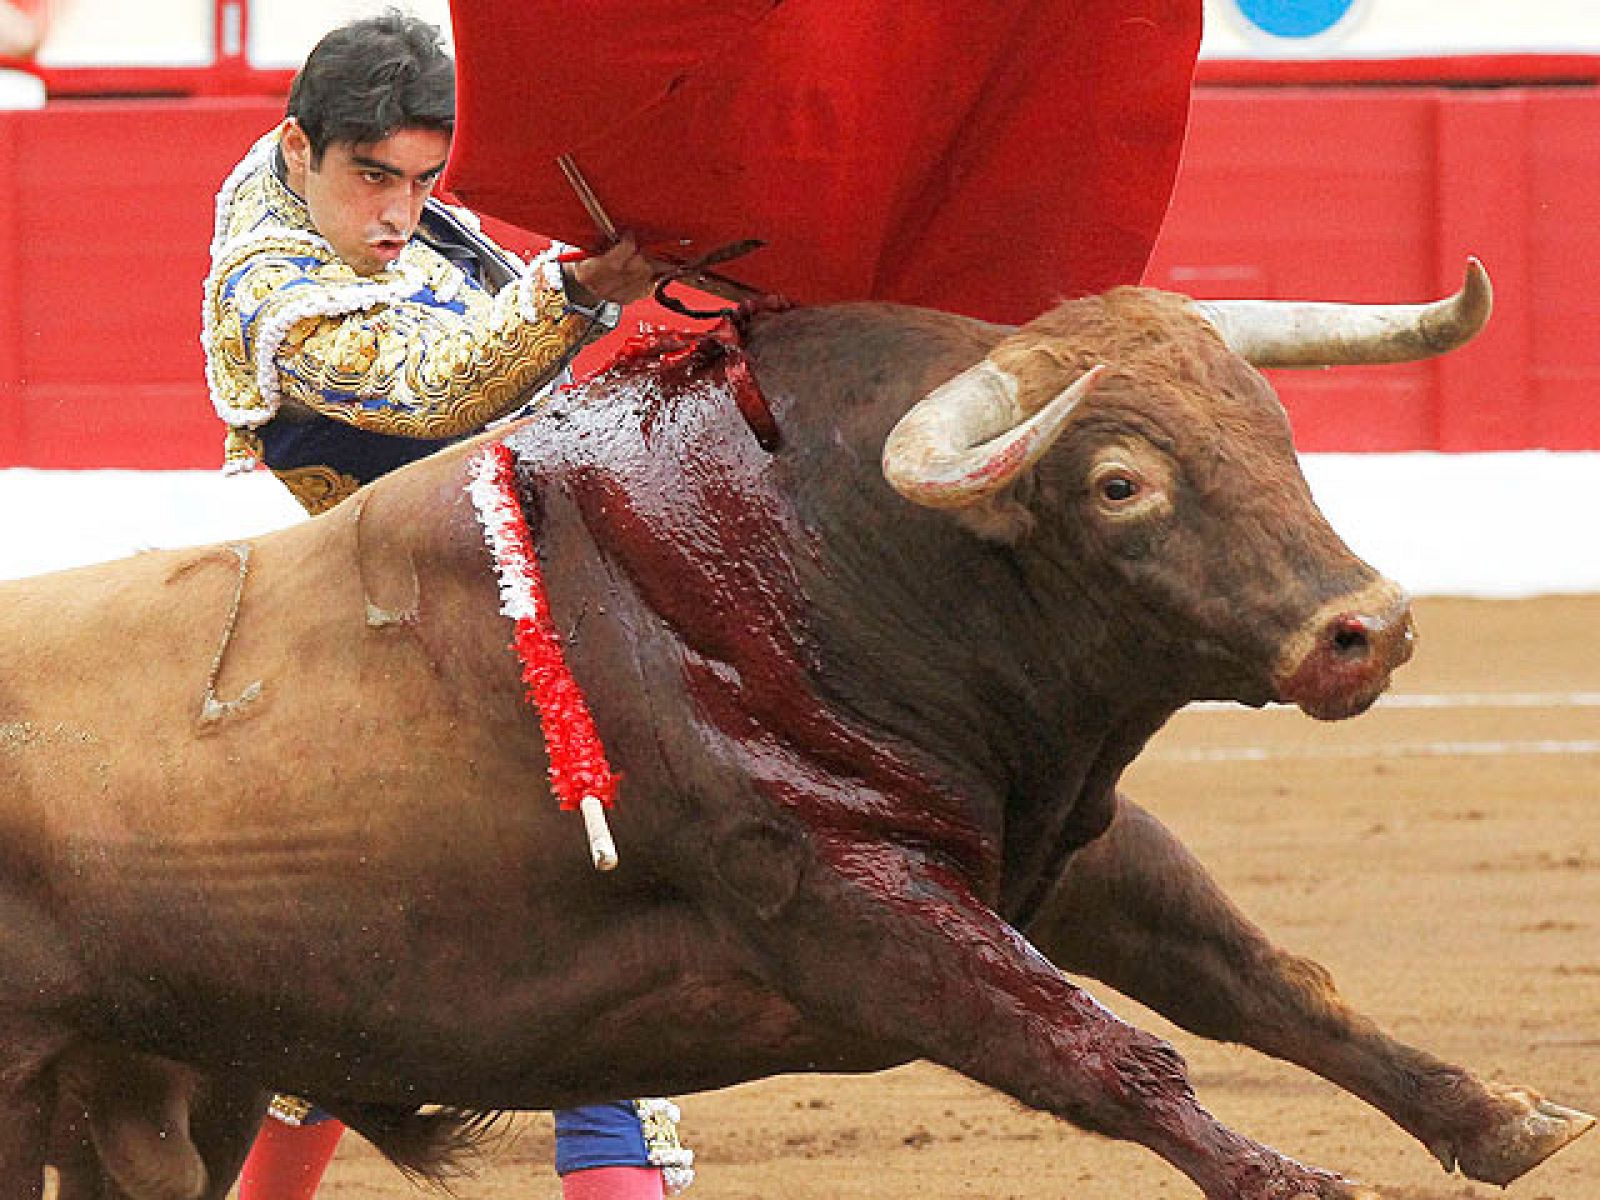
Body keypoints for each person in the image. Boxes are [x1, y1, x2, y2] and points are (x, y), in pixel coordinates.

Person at [201, 13, 691, 1200]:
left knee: (332, 1001)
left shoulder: (341, 193)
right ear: (300, 148)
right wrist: (574, 292)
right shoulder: (269, 293)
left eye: (425, 179)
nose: (400, 213)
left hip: (431, 609)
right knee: (609, 936)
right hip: (432, 643)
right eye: (373, 177)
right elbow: (430, 388)